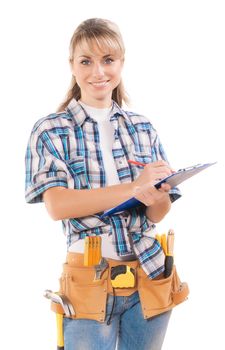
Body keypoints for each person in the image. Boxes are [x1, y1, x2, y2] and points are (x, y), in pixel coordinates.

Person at [25, 18, 188, 350]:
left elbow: (157, 214)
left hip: (150, 272)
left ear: (121, 63)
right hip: (88, 281)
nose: (98, 71)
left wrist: (157, 191)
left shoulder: (143, 127)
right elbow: (57, 206)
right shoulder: (51, 130)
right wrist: (132, 188)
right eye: (86, 61)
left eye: (108, 60)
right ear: (72, 66)